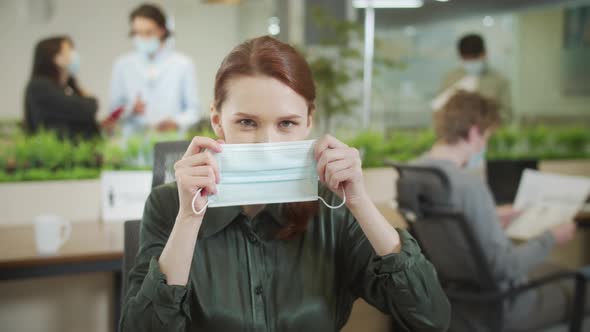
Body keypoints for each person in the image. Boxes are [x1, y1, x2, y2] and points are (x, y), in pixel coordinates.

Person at [120, 36, 451, 331]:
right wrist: (189, 219)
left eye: (287, 123)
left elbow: (430, 317)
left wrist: (360, 203)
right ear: (218, 121)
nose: (267, 143)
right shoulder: (169, 206)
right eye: (247, 122)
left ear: (309, 120)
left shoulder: (332, 209)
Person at [414, 91, 584, 331]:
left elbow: (451, 234)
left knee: (556, 271)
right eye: (487, 137)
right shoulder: (469, 186)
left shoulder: (415, 174)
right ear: (474, 131)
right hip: (505, 307)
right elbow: (504, 267)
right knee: (581, 283)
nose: (484, 145)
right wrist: (551, 237)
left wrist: (490, 217)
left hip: (457, 303)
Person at [108, 3, 199, 135]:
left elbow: (193, 111)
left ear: (161, 30)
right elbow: (114, 111)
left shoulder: (183, 64)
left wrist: (177, 122)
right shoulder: (122, 65)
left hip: (170, 140)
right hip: (134, 143)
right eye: (137, 33)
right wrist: (130, 109)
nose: (142, 38)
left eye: (148, 32)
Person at [24, 36, 99, 140]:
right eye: (69, 50)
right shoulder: (40, 87)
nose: (74, 55)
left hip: (80, 152)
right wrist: (91, 100)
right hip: (59, 153)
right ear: (55, 57)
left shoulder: (67, 88)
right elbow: (84, 109)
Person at [440, 34, 512, 122]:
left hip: (492, 132)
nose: (471, 62)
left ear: (484, 53)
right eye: (467, 58)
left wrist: (488, 117)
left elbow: (508, 113)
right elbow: (440, 111)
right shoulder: (450, 79)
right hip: (457, 132)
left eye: (475, 57)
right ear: (460, 56)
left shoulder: (499, 80)